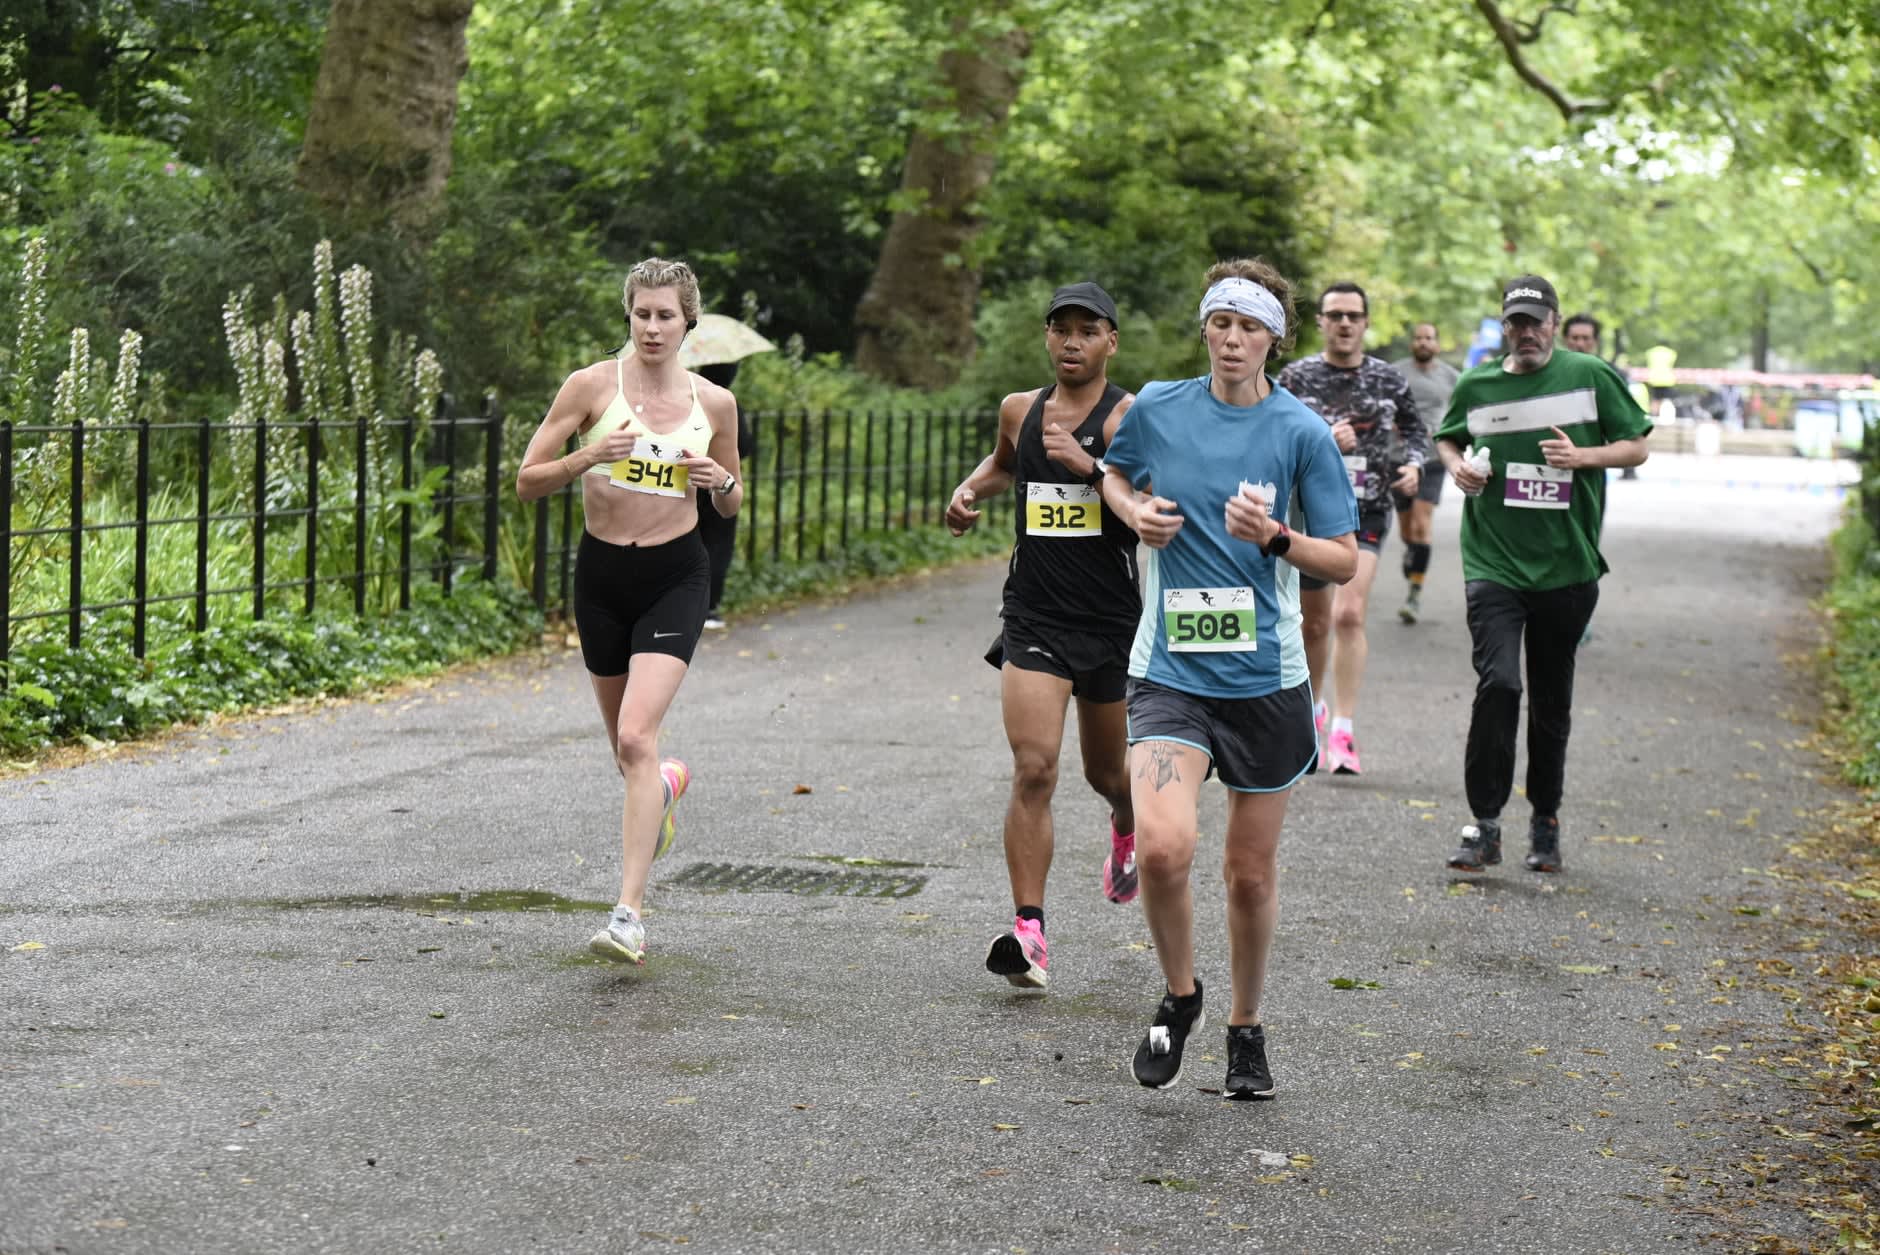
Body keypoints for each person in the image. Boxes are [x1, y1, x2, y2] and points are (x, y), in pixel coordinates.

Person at [1097, 258, 1357, 1099]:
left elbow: (1342, 558)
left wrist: (1276, 536)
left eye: (1249, 327)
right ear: (1205, 329)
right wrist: (1133, 511)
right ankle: (1181, 995)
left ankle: (1246, 1025)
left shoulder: (1301, 432)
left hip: (1265, 680)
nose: (1232, 340)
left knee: (1248, 872)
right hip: (1169, 671)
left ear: (1275, 338)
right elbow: (1112, 472)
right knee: (1163, 848)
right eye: (1220, 324)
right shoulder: (1159, 407)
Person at [514, 257, 745, 963]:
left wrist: (720, 480)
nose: (652, 327)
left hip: (676, 574)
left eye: (665, 315)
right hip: (603, 576)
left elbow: (733, 501)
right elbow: (527, 481)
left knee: (638, 737)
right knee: (627, 750)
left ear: (688, 322)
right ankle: (665, 787)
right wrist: (586, 457)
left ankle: (628, 916)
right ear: (629, 316)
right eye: (641, 314)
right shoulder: (590, 386)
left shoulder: (715, 404)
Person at [945, 282, 1140, 992]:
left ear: (1110, 341)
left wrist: (1092, 468)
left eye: (1088, 330)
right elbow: (1005, 464)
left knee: (1106, 773)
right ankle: (1029, 931)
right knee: (1034, 767)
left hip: (1111, 621)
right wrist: (970, 491)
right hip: (1033, 616)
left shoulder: (1128, 417)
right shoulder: (1019, 410)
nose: (1072, 342)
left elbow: (1150, 501)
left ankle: (1127, 820)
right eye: (1061, 329)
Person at [1437, 276, 1649, 876]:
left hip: (1566, 566)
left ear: (1554, 322)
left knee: (1551, 701)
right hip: (1493, 562)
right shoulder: (1477, 384)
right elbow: (1449, 439)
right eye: (1516, 322)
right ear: (1504, 327)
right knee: (1500, 684)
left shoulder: (1589, 376)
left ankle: (1545, 820)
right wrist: (1459, 469)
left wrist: (1584, 457)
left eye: (1536, 321)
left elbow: (1636, 445)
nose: (1526, 332)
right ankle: (1485, 824)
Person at [1275, 283, 1429, 774]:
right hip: (1311, 515)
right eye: (1335, 314)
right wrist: (1322, 440)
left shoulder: (1387, 379)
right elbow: (1271, 438)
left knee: (1348, 613)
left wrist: (1415, 465)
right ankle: (1312, 712)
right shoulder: (1295, 378)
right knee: (1315, 623)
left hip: (1368, 509)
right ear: (1321, 321)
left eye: (1353, 316)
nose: (1344, 323)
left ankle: (1343, 727)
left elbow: (1417, 432)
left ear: (1365, 323)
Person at [1389, 322, 1460, 624]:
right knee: (1407, 531)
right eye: (1418, 338)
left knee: (1421, 524)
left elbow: (1461, 412)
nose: (1423, 342)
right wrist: (1392, 421)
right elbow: (1380, 405)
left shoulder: (1451, 377)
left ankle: (1414, 595)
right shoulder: (1395, 372)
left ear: (1437, 344)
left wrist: (1447, 434)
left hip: (1432, 459)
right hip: (1398, 457)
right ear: (1412, 343)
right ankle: (1413, 553)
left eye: (1429, 338)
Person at [693, 361, 758, 630]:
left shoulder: (687, 399)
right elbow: (745, 447)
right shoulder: (727, 404)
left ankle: (687, 603)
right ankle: (709, 607)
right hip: (720, 480)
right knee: (718, 544)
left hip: (688, 480)